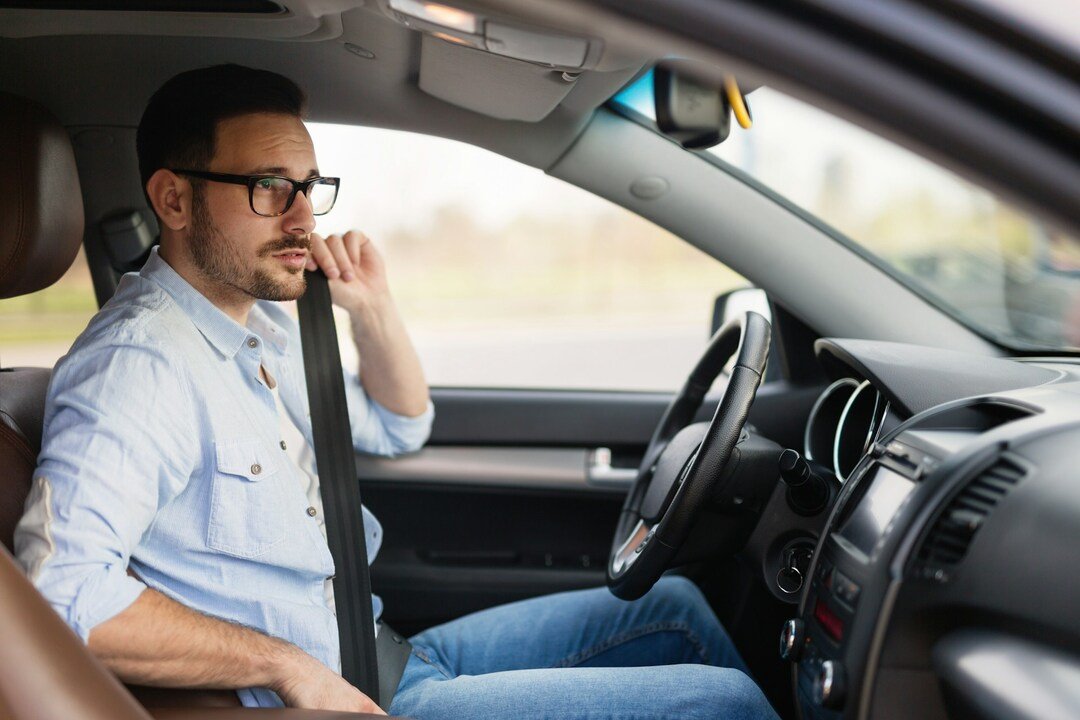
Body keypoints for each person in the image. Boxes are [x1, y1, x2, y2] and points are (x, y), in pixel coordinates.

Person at [15, 64, 778, 720]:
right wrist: (284, 665)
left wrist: (372, 308)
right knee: (725, 706)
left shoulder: (250, 334)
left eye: (311, 188)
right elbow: (61, 595)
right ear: (174, 201)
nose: (305, 217)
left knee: (671, 608)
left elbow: (399, 423)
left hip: (383, 655)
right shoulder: (139, 366)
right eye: (271, 187)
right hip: (338, 697)